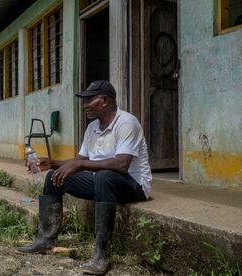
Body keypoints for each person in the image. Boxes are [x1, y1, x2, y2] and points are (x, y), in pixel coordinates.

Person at [17, 80, 152, 275]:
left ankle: (101, 255)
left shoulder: (127, 123)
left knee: (104, 176)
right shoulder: (92, 128)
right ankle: (46, 239)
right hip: (102, 182)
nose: (85, 105)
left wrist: (79, 164)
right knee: (55, 176)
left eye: (89, 100)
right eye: (84, 100)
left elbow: (121, 165)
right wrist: (52, 163)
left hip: (133, 185)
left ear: (104, 100)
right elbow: (80, 160)